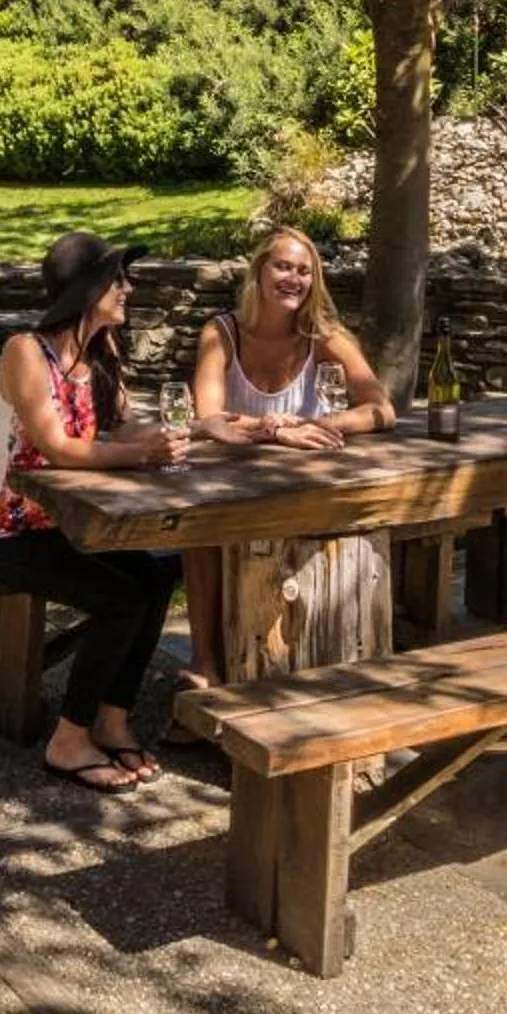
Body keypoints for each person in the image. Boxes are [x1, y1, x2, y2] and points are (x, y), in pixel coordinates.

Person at [0, 231, 190, 793]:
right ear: (88, 290)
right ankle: (68, 739)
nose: (128, 288)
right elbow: (56, 447)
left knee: (158, 576)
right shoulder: (26, 351)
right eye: (118, 280)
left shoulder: (101, 352)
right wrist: (141, 455)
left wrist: (192, 430)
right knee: (121, 600)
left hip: (68, 524)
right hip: (7, 532)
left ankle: (113, 718)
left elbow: (124, 426)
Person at [179, 227, 394, 688]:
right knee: (200, 530)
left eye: (304, 271)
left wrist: (321, 425)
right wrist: (273, 430)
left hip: (302, 491)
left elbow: (381, 409)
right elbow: (209, 420)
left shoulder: (323, 336)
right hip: (231, 487)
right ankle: (203, 664)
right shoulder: (221, 334)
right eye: (283, 267)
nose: (294, 279)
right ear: (258, 272)